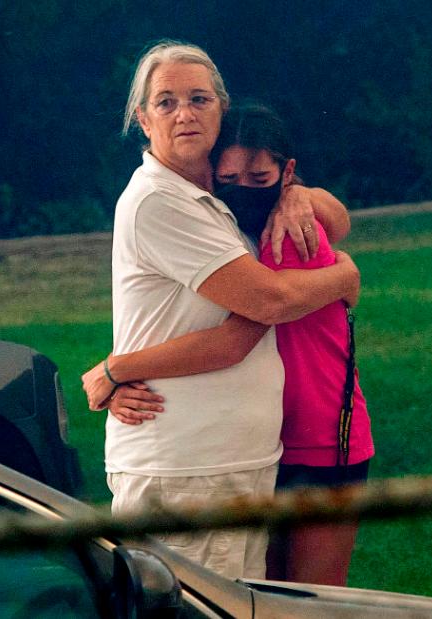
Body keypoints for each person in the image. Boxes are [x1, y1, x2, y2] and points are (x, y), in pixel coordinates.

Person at [84, 103, 374, 587]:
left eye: (260, 179)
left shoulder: (289, 234)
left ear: (287, 172)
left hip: (325, 434)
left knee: (312, 600)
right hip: (267, 442)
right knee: (269, 593)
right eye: (229, 178)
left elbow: (241, 335)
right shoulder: (234, 233)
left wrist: (116, 369)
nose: (244, 191)